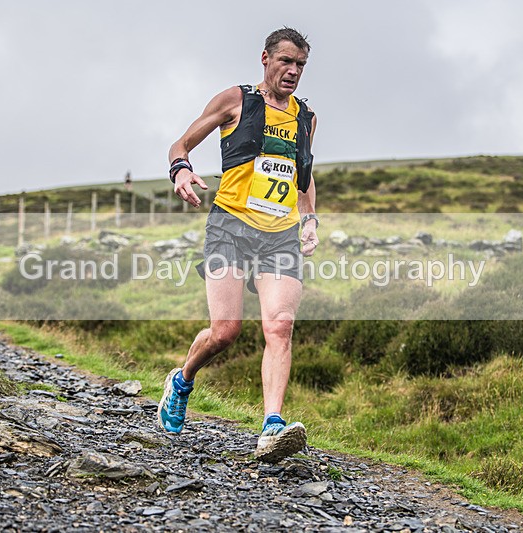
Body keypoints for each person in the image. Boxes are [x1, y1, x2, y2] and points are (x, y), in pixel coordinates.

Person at [158, 27, 320, 463]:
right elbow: (182, 142)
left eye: (301, 65)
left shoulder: (306, 117)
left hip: (280, 234)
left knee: (280, 325)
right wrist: (181, 171)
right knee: (225, 332)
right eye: (286, 61)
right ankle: (183, 380)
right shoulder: (236, 100)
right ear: (265, 58)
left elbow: (303, 178)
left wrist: (309, 219)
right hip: (230, 226)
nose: (293, 72)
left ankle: (272, 426)